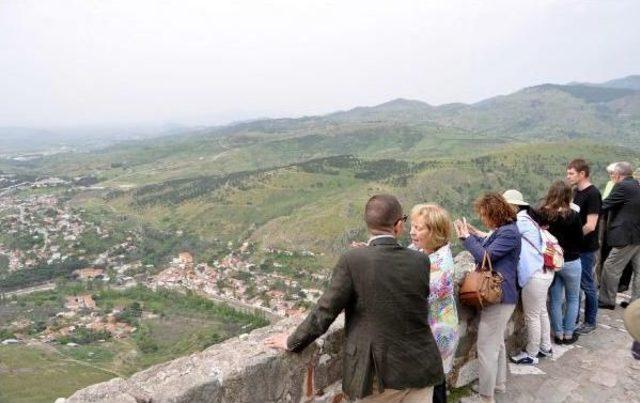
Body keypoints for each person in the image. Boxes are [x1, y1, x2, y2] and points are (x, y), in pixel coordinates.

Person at [264, 194, 444, 402]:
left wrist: (292, 341)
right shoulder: (421, 260)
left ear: (369, 225)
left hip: (379, 374)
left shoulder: (353, 260)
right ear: (398, 225)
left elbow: (325, 311)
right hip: (421, 366)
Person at [454, 193, 520, 403]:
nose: (482, 219)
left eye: (484, 215)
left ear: (495, 214)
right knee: (497, 343)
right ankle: (498, 384)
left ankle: (486, 396)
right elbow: (489, 242)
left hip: (500, 297)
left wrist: (466, 238)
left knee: (486, 347)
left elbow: (485, 257)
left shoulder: (509, 233)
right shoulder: (504, 230)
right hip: (502, 297)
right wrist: (474, 234)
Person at [409, 203, 459, 403]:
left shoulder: (441, 265)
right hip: (430, 332)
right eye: (412, 226)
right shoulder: (419, 249)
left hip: (437, 334)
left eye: (418, 228)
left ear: (435, 232)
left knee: (434, 385)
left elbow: (418, 297)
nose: (412, 232)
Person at [502, 190, 554, 365]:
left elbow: (500, 237)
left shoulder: (521, 222)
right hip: (544, 272)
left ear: (514, 206)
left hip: (534, 275)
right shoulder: (529, 219)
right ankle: (545, 347)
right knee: (541, 311)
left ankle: (531, 354)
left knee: (532, 315)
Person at [536, 180, 584, 345]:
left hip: (552, 263)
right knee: (572, 298)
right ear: (567, 196)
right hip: (572, 262)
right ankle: (568, 334)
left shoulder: (543, 214)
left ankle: (557, 333)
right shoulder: (574, 215)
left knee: (555, 299)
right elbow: (580, 239)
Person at [598, 162, 640, 310]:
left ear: (618, 174)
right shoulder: (636, 185)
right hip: (637, 236)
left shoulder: (622, 186)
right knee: (638, 271)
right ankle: (635, 305)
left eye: (612, 174)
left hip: (626, 235)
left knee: (610, 267)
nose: (611, 177)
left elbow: (604, 205)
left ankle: (606, 300)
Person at [566, 159, 601, 334]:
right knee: (577, 286)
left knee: (587, 284)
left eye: (571, 173)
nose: (568, 176)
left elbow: (591, 225)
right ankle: (576, 319)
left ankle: (590, 321)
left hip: (586, 248)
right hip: (577, 247)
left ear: (582, 174)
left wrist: (572, 237)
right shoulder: (575, 192)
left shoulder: (593, 193)